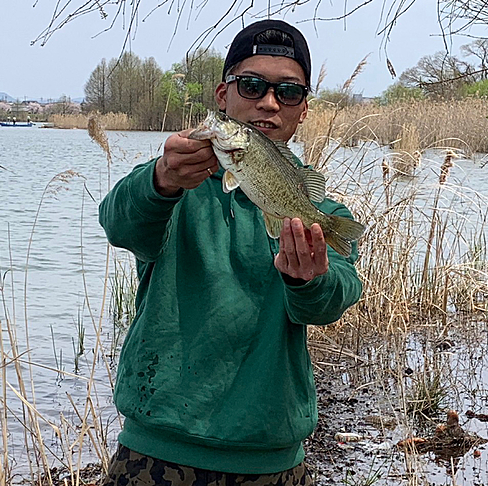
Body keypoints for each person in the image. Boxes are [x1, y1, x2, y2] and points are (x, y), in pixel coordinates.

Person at [100, 19, 362, 486]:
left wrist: (308, 279)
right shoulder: (176, 183)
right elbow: (119, 223)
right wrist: (160, 180)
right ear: (223, 96)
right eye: (252, 85)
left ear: (303, 109)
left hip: (270, 458)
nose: (268, 102)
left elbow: (334, 297)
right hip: (156, 449)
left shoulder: (321, 213)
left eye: (289, 92)